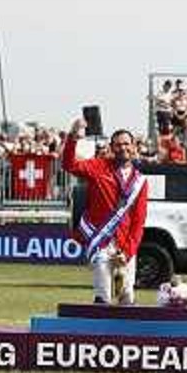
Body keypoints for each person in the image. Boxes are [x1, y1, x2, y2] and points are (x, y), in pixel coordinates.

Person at [63, 119, 148, 305]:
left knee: (127, 296)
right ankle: (98, 333)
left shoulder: (140, 181)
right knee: (103, 295)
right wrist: (73, 137)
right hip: (101, 242)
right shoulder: (98, 167)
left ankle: (128, 334)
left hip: (125, 244)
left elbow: (138, 221)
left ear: (134, 147)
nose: (123, 148)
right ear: (111, 147)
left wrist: (127, 251)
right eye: (118, 145)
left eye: (126, 144)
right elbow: (69, 165)